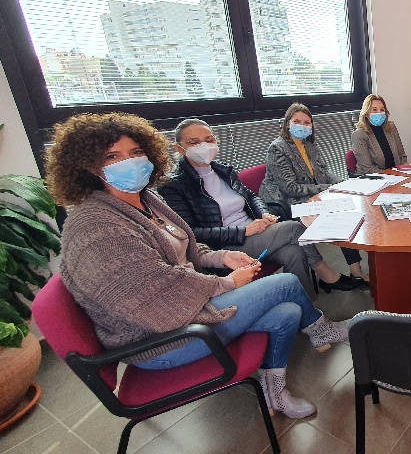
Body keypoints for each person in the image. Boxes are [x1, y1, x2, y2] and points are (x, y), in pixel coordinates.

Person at [47, 112, 351, 419]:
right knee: (284, 283)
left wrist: (221, 257)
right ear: (87, 166)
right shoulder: (95, 227)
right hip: (160, 340)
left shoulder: (145, 200)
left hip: (190, 308)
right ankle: (322, 330)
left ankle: (275, 393)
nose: (129, 162)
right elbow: (152, 295)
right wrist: (227, 283)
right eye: (113, 156)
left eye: (136, 152)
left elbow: (187, 246)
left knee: (288, 311)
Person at [159, 118, 364, 299]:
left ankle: (307, 310)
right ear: (179, 148)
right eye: (194, 142)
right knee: (294, 228)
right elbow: (190, 233)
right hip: (227, 246)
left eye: (209, 139)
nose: (204, 146)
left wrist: (263, 212)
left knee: (294, 252)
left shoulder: (222, 170)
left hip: (256, 232)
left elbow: (251, 196)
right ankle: (328, 276)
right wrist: (244, 231)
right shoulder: (174, 185)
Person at [259, 103, 367, 290]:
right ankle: (327, 275)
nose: (302, 126)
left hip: (310, 196)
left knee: (348, 212)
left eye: (307, 122)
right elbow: (289, 188)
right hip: (284, 203)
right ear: (287, 124)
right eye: (297, 121)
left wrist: (344, 183)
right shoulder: (278, 148)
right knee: (328, 218)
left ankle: (355, 270)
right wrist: (326, 188)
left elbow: (324, 172)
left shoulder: (309, 144)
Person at [351, 94, 408, 174]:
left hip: (396, 176)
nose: (379, 113)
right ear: (366, 113)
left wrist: (402, 172)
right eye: (374, 110)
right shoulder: (359, 134)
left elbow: (402, 156)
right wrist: (392, 175)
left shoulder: (391, 127)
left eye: (382, 110)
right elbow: (367, 169)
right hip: (373, 179)